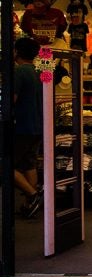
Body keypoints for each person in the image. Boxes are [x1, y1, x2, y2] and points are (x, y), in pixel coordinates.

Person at [12, 37, 44, 218]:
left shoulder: (19, 72)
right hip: (38, 126)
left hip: (22, 126)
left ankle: (33, 195)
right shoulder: (41, 71)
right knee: (29, 163)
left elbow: (12, 100)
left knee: (6, 164)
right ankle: (30, 205)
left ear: (16, 51)